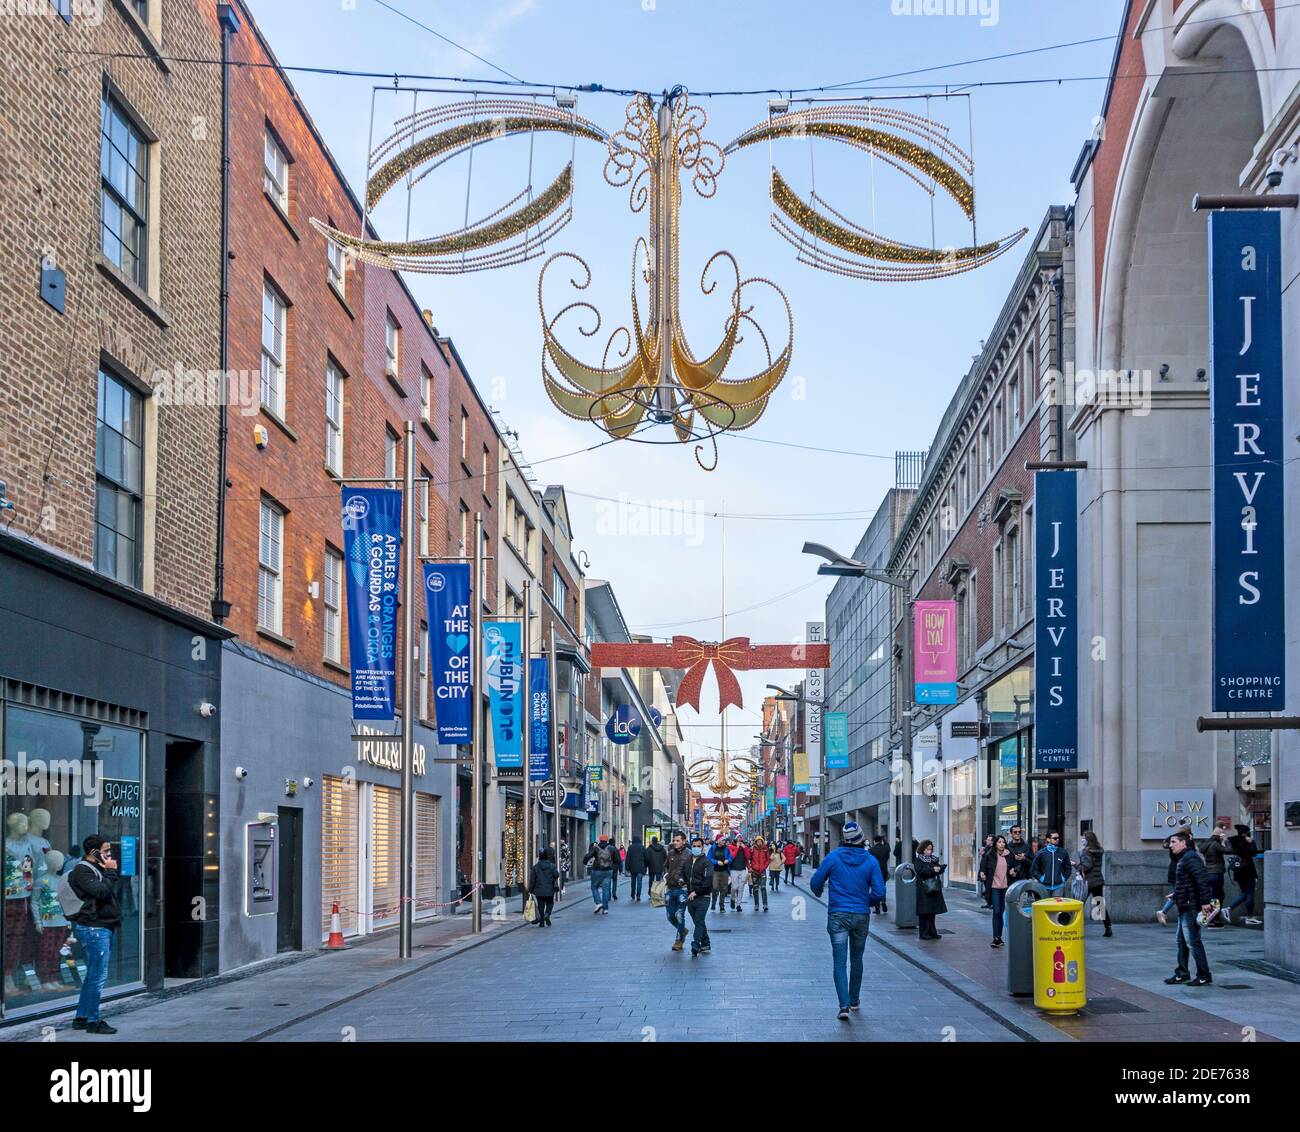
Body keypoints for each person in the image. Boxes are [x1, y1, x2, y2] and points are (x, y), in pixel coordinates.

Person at [810, 822, 885, 1020]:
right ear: (862, 838)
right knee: (857, 958)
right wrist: (865, 902)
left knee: (839, 961)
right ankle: (854, 1001)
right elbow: (879, 892)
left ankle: (843, 1006)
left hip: (838, 915)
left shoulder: (833, 857)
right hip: (861, 916)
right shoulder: (871, 860)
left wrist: (818, 891)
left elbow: (816, 881)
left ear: (844, 839)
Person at [66, 833, 121, 1034]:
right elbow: (101, 892)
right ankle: (93, 1020)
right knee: (98, 976)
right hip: (93, 928)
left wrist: (107, 871)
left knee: (92, 975)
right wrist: (111, 872)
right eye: (106, 850)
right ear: (94, 852)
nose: (110, 853)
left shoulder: (96, 868)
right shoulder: (82, 870)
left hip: (102, 926)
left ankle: (81, 1017)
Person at [1164, 829, 1214, 987]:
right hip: (1185, 904)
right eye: (1171, 842)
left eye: (1174, 842)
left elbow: (1202, 880)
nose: (1171, 845)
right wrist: (1176, 895)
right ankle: (1182, 973)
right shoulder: (1184, 858)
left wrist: (1205, 902)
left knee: (1193, 942)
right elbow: (1187, 883)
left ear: (1183, 843)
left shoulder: (1190, 858)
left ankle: (1204, 975)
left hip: (1191, 906)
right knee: (1182, 942)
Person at [979, 835, 1012, 947]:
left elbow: (1014, 866)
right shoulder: (990, 855)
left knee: (1001, 911)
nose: (1001, 844)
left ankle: (999, 937)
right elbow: (983, 866)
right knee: (997, 911)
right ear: (995, 844)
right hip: (994, 887)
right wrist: (982, 873)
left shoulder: (1009, 855)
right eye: (999, 842)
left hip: (1006, 887)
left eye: (1003, 842)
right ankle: (996, 937)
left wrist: (1014, 870)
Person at [1225, 825, 1262, 926]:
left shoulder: (1234, 841)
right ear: (1245, 833)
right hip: (1248, 871)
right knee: (1250, 894)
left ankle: (1228, 909)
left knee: (1244, 894)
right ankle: (1250, 917)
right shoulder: (1245, 842)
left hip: (1239, 872)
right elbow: (1253, 853)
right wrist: (1251, 843)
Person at [1078, 830, 1112, 937]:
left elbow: (1086, 866)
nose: (1082, 839)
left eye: (1084, 837)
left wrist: (1075, 865)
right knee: (1100, 904)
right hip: (1098, 881)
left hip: (1088, 882)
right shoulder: (1098, 850)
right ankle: (1108, 927)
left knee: (1078, 903)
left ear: (1088, 840)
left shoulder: (1086, 851)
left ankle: (1073, 926)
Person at [664, 831, 692, 951]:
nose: (675, 843)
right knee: (670, 916)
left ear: (684, 841)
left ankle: (679, 940)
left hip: (682, 889)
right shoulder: (670, 853)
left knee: (679, 915)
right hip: (670, 888)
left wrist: (686, 883)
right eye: (674, 840)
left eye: (678, 840)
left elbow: (692, 871)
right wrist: (666, 876)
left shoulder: (689, 854)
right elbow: (666, 866)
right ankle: (682, 930)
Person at [685, 836, 713, 957]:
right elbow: (684, 876)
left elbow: (708, 881)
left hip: (703, 896)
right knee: (698, 921)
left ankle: (695, 944)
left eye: (698, 846)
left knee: (699, 920)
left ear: (702, 848)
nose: (696, 848)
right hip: (690, 897)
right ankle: (706, 942)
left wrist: (696, 892)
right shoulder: (688, 861)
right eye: (694, 846)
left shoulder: (707, 862)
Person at [914, 840, 947, 940]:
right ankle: (924, 932)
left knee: (932, 911)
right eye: (927, 849)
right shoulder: (918, 860)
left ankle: (932, 931)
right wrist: (933, 870)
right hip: (924, 888)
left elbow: (938, 869)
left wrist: (940, 868)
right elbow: (920, 870)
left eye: (931, 849)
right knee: (924, 911)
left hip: (933, 887)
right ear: (922, 849)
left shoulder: (934, 859)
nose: (929, 851)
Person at [1200, 822, 1230, 927]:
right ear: (1219, 835)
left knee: (1213, 896)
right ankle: (1212, 920)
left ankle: (1211, 919)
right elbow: (1229, 850)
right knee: (1218, 897)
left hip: (1208, 872)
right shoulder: (1216, 844)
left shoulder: (1206, 844)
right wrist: (1225, 840)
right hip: (1216, 873)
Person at [583, 832, 619, 915]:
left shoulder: (596, 848)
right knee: (605, 889)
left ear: (600, 840)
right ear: (606, 840)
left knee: (594, 886)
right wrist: (613, 867)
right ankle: (605, 908)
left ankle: (598, 903)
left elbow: (588, 856)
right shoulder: (612, 848)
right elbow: (617, 860)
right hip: (608, 871)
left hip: (597, 870)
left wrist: (585, 862)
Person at [1029, 831, 1072, 895]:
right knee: (1045, 905)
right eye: (1055, 838)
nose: (1057, 839)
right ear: (1048, 839)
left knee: (1057, 905)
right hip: (1044, 886)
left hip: (1059, 887)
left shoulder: (1063, 852)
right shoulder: (1041, 853)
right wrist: (1041, 878)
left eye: (1058, 838)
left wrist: (1063, 878)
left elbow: (1068, 868)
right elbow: (1033, 869)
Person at [527, 848, 560, 927]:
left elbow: (532, 880)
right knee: (550, 903)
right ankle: (547, 914)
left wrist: (530, 889)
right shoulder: (552, 866)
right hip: (549, 889)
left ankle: (542, 923)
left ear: (540, 857)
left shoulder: (535, 867)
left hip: (539, 890)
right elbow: (556, 875)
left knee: (541, 905)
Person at [706, 835, 733, 912]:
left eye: (724, 840)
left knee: (723, 889)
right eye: (722, 840)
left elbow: (730, 857)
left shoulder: (726, 849)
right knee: (715, 888)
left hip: (724, 871)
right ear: (718, 841)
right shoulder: (713, 848)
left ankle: (722, 906)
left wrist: (728, 860)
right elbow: (708, 858)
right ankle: (713, 903)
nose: (724, 841)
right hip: (715, 871)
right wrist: (716, 862)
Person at [1155, 836, 1178, 925]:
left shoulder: (1172, 848)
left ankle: (1164, 911)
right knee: (1179, 894)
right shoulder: (1179, 849)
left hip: (1174, 871)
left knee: (1178, 894)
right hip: (1177, 872)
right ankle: (1164, 911)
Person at [868, 835, 891, 914]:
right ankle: (883, 901)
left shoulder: (871, 850)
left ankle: (877, 908)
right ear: (881, 841)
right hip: (884, 870)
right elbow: (888, 851)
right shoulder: (886, 849)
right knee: (883, 886)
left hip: (875, 871)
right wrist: (884, 840)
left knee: (875, 887)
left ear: (874, 841)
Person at [748, 836, 771, 911]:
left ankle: (765, 905)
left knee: (763, 887)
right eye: (758, 841)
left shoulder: (765, 849)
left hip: (762, 871)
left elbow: (768, 859)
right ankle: (756, 904)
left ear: (762, 842)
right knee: (755, 888)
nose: (759, 842)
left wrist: (765, 867)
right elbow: (748, 859)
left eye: (760, 841)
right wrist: (750, 867)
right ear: (756, 842)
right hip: (754, 871)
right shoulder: (752, 849)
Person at [624, 836, 649, 902]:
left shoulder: (630, 847)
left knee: (633, 882)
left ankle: (632, 894)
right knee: (639, 882)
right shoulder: (643, 847)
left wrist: (627, 867)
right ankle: (638, 895)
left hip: (633, 868)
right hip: (641, 867)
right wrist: (646, 866)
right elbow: (646, 858)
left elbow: (628, 858)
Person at [728, 836, 749, 911]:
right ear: (735, 839)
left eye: (740, 838)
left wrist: (745, 848)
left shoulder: (744, 847)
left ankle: (738, 905)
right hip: (734, 869)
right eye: (738, 838)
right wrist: (737, 848)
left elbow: (748, 857)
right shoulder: (731, 846)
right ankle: (732, 898)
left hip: (742, 869)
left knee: (741, 887)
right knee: (734, 887)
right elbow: (732, 857)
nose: (739, 840)